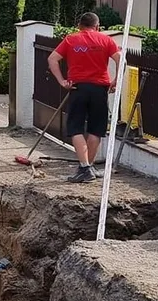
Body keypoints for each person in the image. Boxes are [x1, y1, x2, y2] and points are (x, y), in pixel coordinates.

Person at [48, 11, 122, 184]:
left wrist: (62, 81)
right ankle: (89, 166)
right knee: (96, 129)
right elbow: (121, 60)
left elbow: (52, 59)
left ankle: (84, 168)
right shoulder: (105, 40)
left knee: (75, 128)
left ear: (79, 26)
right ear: (97, 26)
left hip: (78, 87)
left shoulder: (71, 39)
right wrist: (116, 80)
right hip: (100, 89)